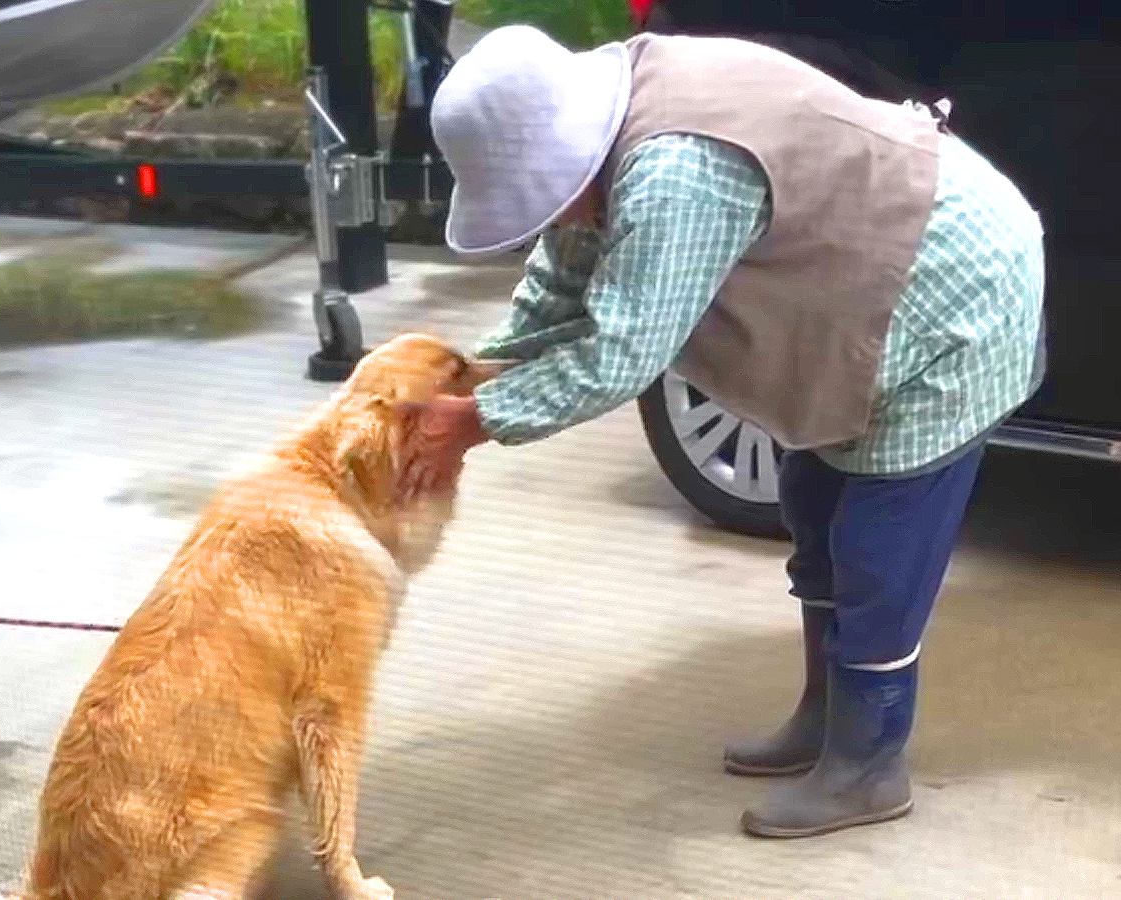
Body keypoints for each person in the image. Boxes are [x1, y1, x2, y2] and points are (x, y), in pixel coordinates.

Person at [399, 24, 1046, 838]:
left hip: (952, 297)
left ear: (567, 158)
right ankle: (826, 717)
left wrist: (475, 422)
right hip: (863, 300)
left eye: (537, 197)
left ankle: (868, 765)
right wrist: (477, 371)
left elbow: (623, 349)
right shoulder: (602, 134)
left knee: (881, 554)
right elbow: (562, 280)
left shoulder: (677, 168)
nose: (544, 219)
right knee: (813, 503)